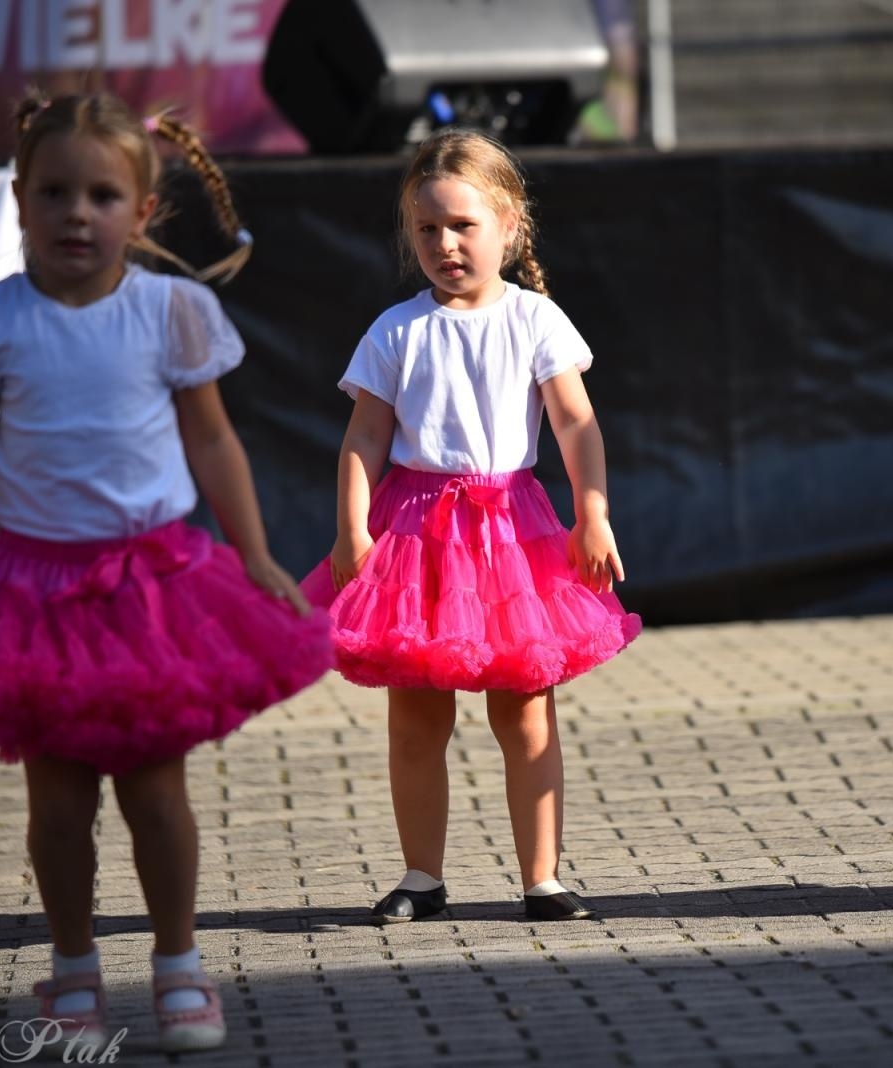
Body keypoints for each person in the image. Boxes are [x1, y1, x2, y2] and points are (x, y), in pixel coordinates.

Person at [0, 92, 333, 1051]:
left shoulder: (172, 313)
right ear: (19, 201)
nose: (80, 213)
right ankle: (74, 971)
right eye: (57, 192)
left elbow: (214, 443)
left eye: (104, 195)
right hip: (30, 598)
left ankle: (179, 969)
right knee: (60, 803)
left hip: (151, 593)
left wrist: (255, 555)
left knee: (157, 793)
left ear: (143, 214)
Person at [301, 128, 640, 925]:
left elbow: (576, 425)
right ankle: (423, 876)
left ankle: (542, 880)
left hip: (511, 539)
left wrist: (591, 513)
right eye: (427, 229)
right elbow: (365, 440)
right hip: (415, 539)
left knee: (524, 710)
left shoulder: (536, 321)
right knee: (417, 714)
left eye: (463, 226)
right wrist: (353, 530)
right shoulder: (395, 331)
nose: (445, 244)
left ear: (510, 223)